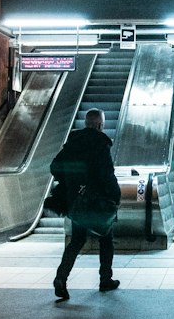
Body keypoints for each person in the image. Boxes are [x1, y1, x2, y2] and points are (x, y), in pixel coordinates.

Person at [49, 108, 122, 301]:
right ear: (100, 125)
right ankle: (105, 279)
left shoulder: (72, 143)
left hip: (76, 202)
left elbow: (54, 167)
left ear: (86, 124)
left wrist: (71, 182)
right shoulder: (100, 144)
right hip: (96, 202)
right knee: (106, 239)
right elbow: (107, 175)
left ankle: (61, 277)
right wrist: (116, 196)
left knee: (77, 241)